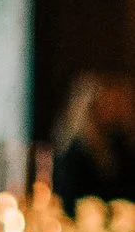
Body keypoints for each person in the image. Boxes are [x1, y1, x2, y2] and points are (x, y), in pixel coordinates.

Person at [52, 72, 135, 213]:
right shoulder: (75, 151)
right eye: (108, 102)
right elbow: (67, 199)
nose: (114, 109)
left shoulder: (121, 145)